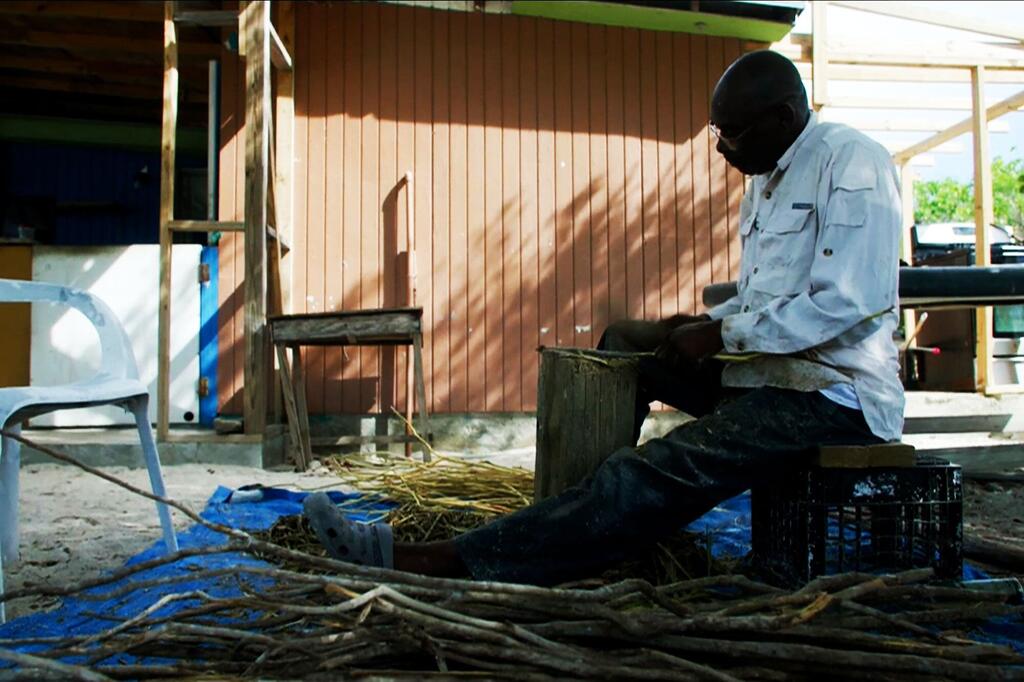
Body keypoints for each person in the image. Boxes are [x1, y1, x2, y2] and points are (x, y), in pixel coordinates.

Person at [303, 50, 905, 586]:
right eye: (716, 132)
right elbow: (765, 303)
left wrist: (720, 332)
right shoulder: (767, 173)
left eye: (733, 134)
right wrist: (688, 324)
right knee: (619, 349)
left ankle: (443, 561)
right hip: (768, 376)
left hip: (833, 397)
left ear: (783, 117)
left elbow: (844, 303)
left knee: (664, 467)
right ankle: (581, 522)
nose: (722, 148)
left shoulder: (853, 163)